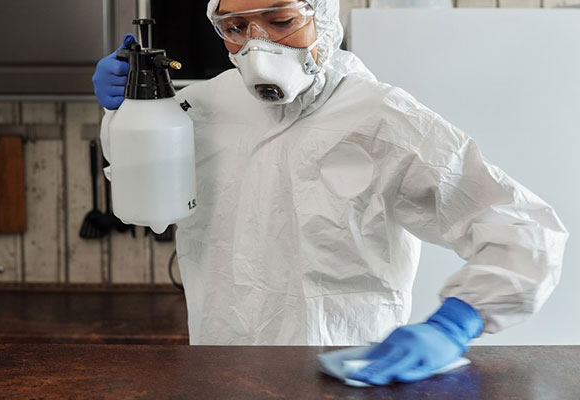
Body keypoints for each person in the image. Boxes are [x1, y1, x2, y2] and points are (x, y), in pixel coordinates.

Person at [93, 0, 568, 386]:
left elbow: (524, 228)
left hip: (350, 372)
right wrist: (127, 110)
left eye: (279, 22)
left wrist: (455, 324)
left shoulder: (382, 119)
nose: (256, 47)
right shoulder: (204, 106)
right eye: (234, 27)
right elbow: (144, 188)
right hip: (225, 367)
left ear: (320, 13)